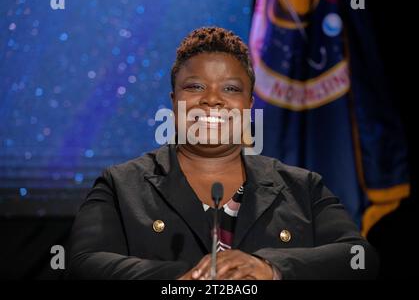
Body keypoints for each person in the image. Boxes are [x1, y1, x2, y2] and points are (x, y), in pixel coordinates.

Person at [68, 27, 379, 280]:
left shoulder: (303, 187)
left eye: (230, 89)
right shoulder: (119, 186)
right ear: (174, 102)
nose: (213, 100)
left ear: (248, 104)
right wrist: (183, 277)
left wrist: (270, 269)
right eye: (195, 87)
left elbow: (359, 257)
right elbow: (82, 263)